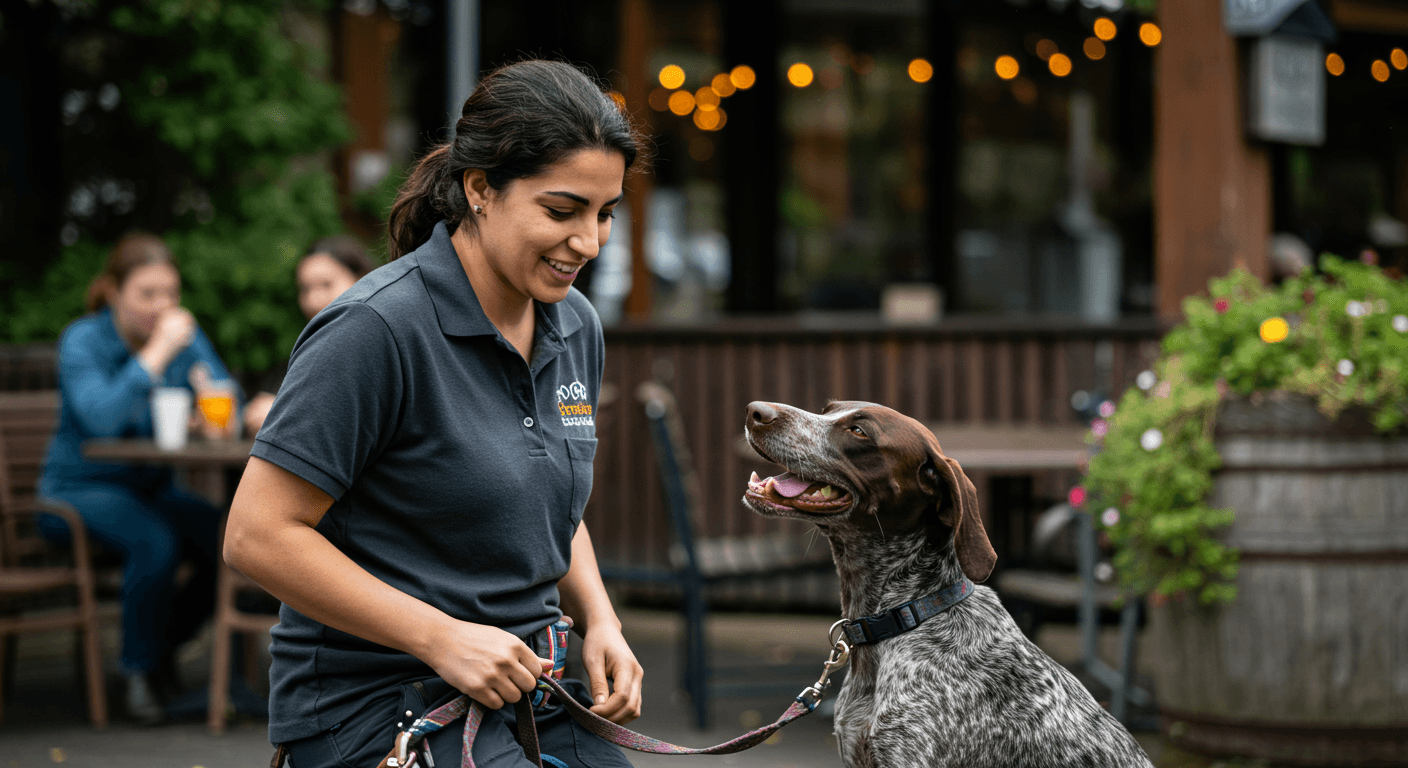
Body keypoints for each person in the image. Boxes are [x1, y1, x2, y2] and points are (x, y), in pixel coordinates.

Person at [225, 60, 646, 768]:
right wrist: (439, 636)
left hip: (531, 688)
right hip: (375, 702)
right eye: (562, 210)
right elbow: (257, 536)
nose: (590, 243)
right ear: (481, 189)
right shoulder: (375, 329)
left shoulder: (575, 325)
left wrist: (599, 618)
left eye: (605, 214)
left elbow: (545, 499)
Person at [39, 232, 238, 723]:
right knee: (154, 540)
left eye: (170, 293)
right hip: (76, 492)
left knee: (230, 538)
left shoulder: (183, 335)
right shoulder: (83, 340)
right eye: (147, 294)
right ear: (113, 293)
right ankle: (138, 675)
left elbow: (222, 399)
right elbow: (101, 420)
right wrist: (156, 354)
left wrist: (212, 412)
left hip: (151, 490)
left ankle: (161, 647)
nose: (162, 306)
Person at [242, 235, 376, 434]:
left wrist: (283, 414)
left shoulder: (378, 345)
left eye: (326, 284)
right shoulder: (309, 351)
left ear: (361, 279)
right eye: (305, 289)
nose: (313, 301)